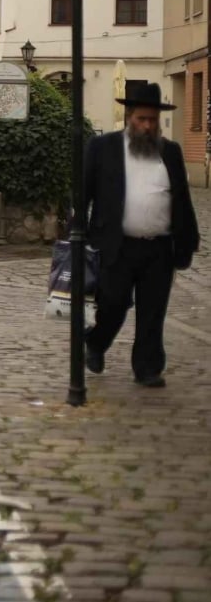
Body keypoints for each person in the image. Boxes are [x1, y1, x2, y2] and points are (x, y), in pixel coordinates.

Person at [82, 82, 199, 388]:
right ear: (129, 116)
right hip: (116, 245)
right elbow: (82, 194)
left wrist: (187, 242)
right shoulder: (103, 148)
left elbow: (182, 200)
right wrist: (77, 234)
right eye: (142, 119)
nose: (147, 126)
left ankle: (147, 367)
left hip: (158, 248)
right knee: (114, 304)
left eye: (152, 120)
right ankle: (95, 343)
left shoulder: (170, 152)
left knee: (153, 311)